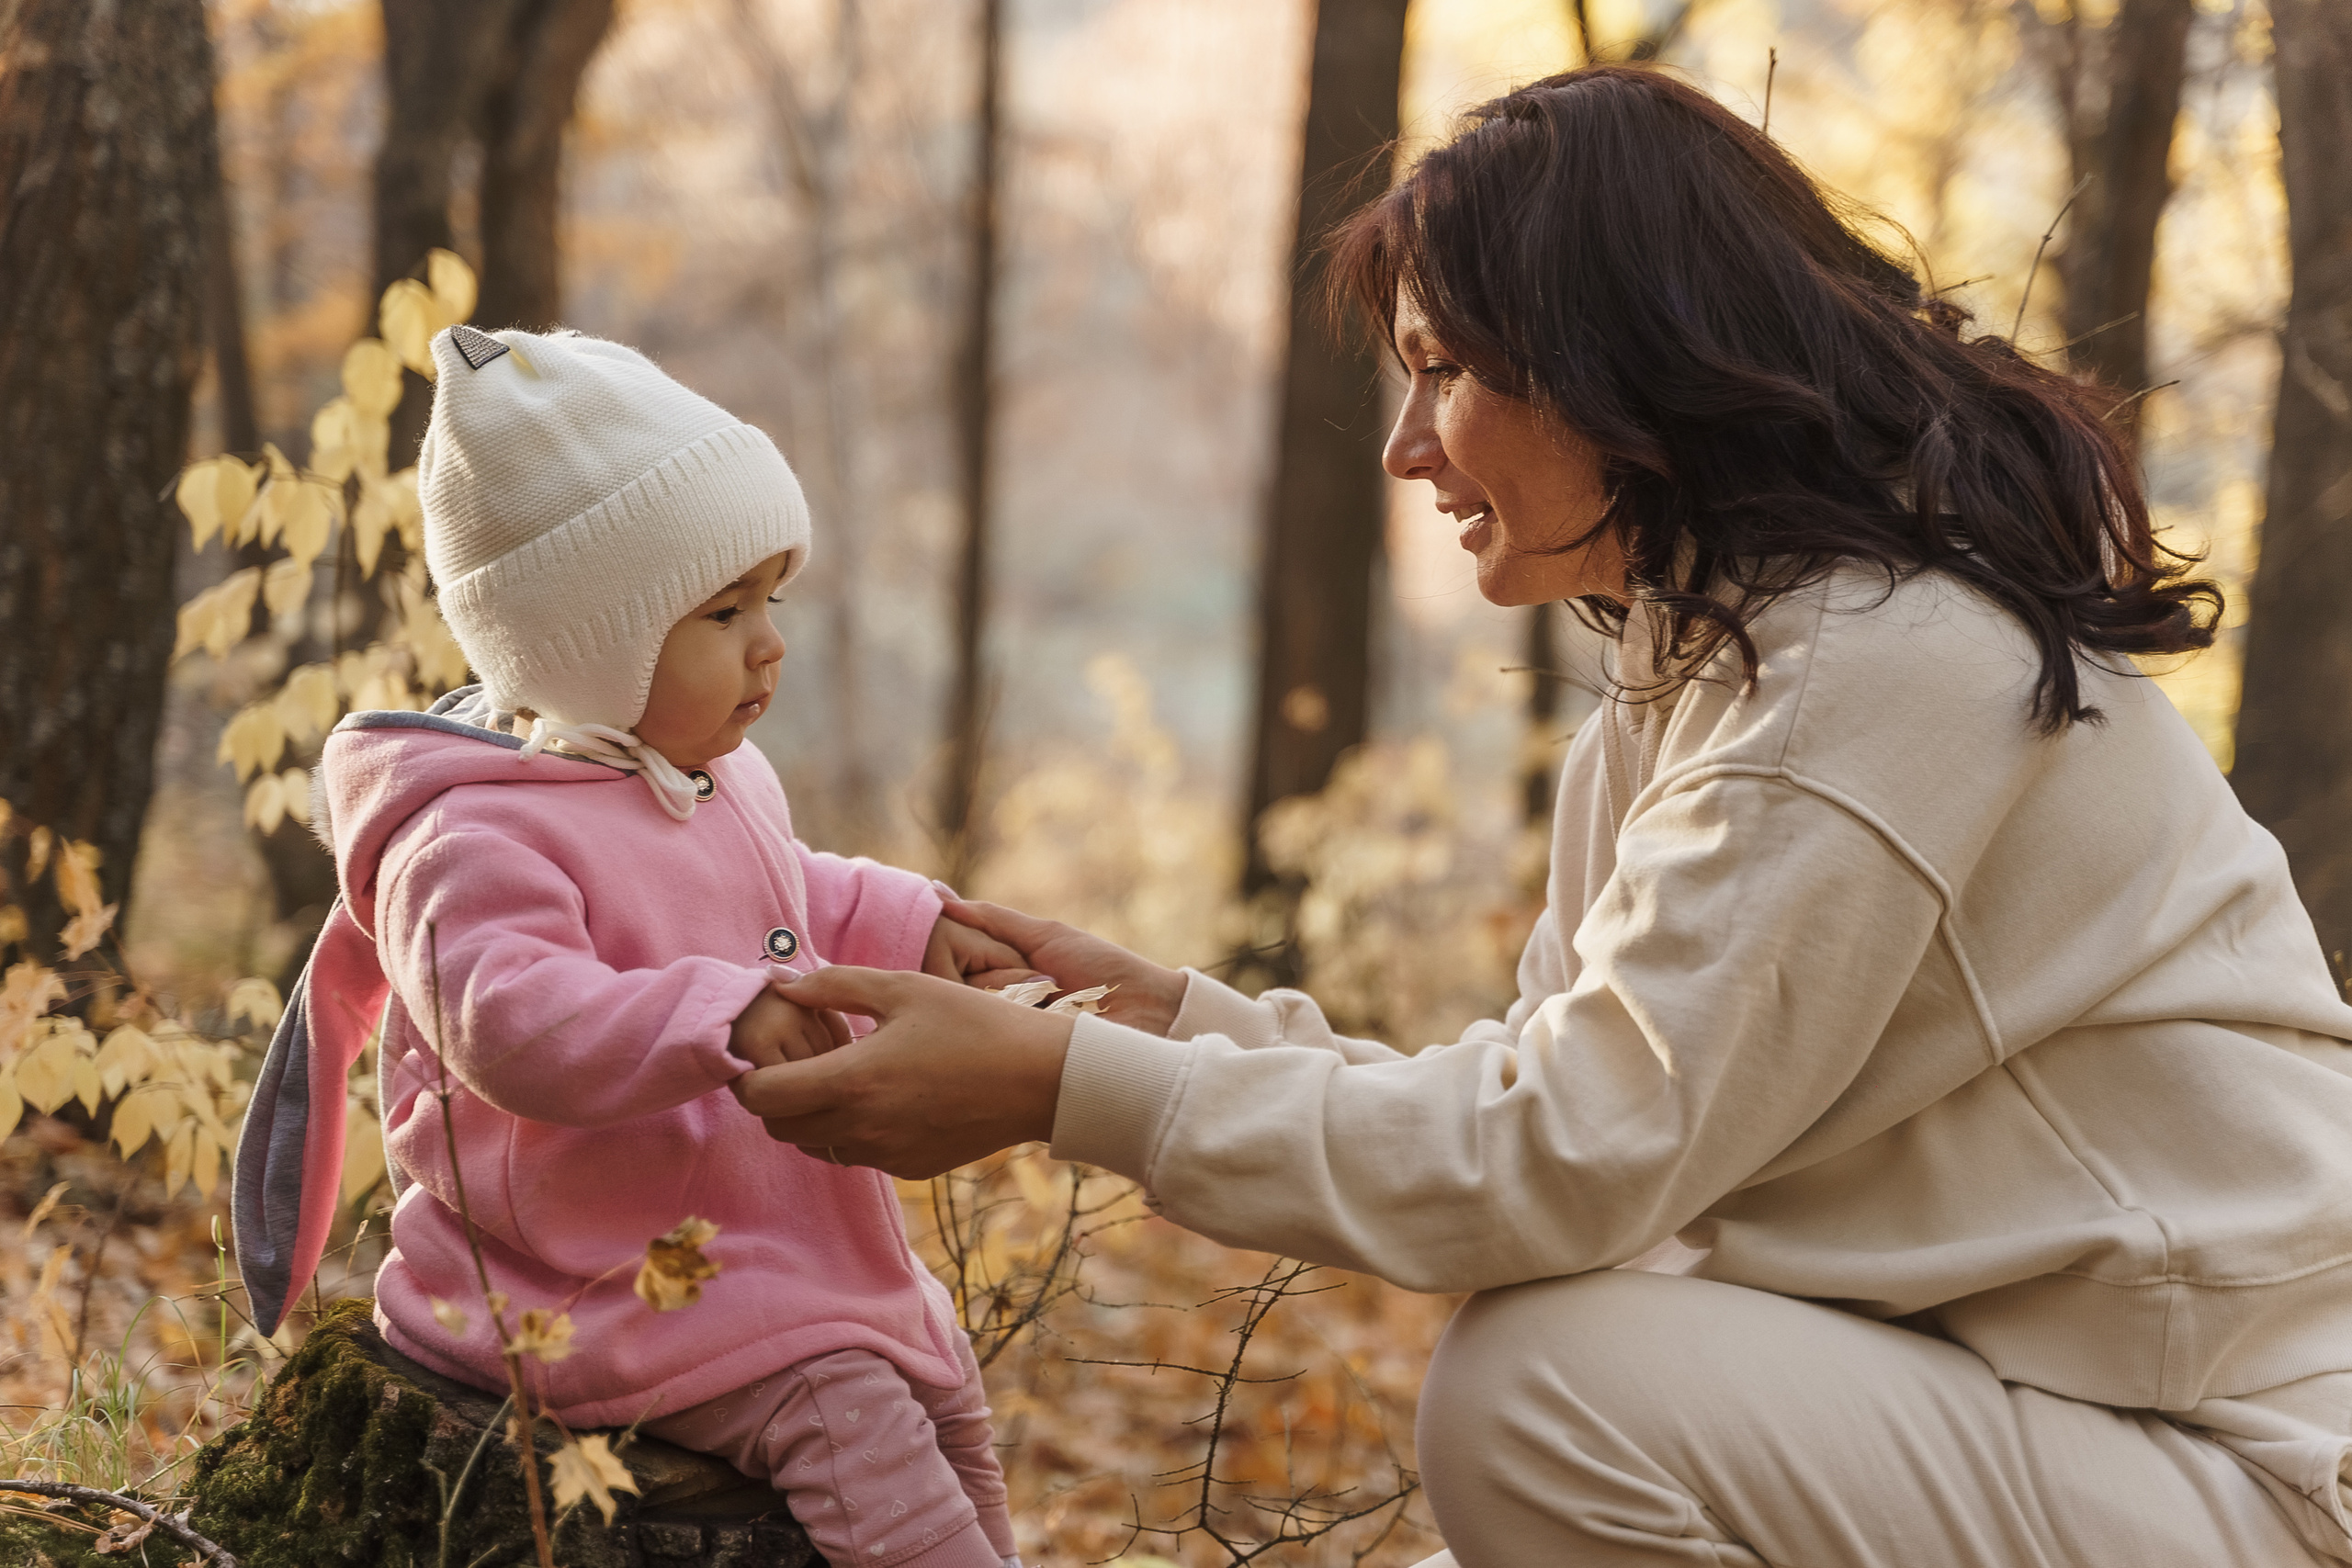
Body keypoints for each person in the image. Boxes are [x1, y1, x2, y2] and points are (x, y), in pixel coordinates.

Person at [728, 66, 2352, 1568]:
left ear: (1615, 359)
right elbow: (1552, 1108)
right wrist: (1165, 1020)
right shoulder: (1706, 674)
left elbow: (1561, 1170)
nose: (1405, 445)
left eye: (1443, 370)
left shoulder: (1886, 667)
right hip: (2055, 1424)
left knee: (1539, 1391)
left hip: (2252, 1468)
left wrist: (1067, 1088)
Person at [231, 324, 1035, 1568]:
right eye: (722, 611)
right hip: (588, 1281)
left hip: (759, 1246)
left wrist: (915, 928)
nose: (768, 641)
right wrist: (722, 1012)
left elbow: (786, 897)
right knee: (865, 1437)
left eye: (774, 597)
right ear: (584, 644)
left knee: (951, 1411)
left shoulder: (708, 772)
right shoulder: (471, 836)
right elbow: (515, 1018)